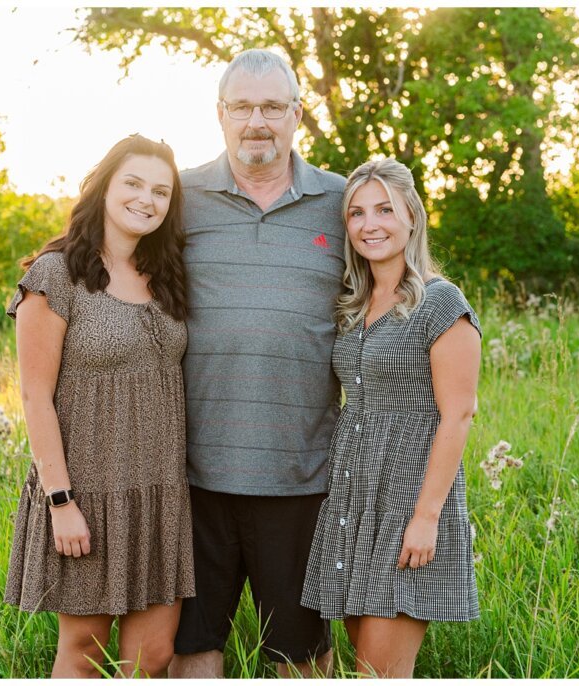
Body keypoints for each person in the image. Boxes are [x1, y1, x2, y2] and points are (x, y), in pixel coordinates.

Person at [169, 49, 346, 678]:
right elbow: (109, 254)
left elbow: (395, 283)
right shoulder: (178, 196)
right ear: (220, 114)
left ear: (297, 114)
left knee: (300, 656)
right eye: (242, 106)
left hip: (301, 473)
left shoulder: (343, 203)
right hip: (191, 470)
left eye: (272, 106)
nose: (257, 121)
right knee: (191, 649)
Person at [3, 134, 194, 678]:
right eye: (133, 183)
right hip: (86, 491)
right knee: (84, 649)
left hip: (160, 493)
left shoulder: (167, 276)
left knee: (153, 658)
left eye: (161, 191)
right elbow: (35, 397)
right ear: (105, 186)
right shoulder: (56, 274)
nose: (146, 199)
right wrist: (60, 500)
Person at [300, 157, 482, 678]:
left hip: (407, 500)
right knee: (364, 665)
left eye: (384, 209)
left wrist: (426, 519)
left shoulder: (441, 302)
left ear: (411, 218)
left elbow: (459, 415)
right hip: (354, 501)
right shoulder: (354, 304)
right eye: (356, 213)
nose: (369, 224)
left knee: (379, 675)